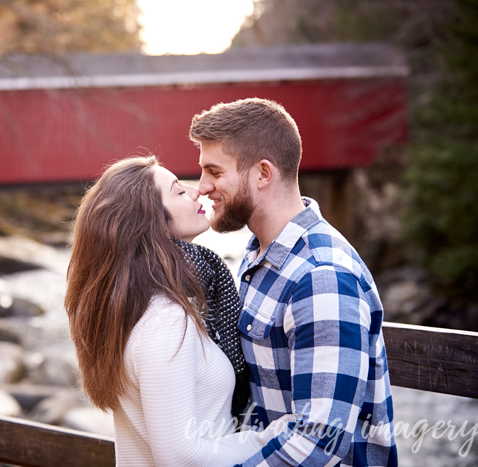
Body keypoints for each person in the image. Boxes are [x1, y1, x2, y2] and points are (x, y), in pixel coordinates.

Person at [189, 98, 398, 467]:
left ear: (263, 174)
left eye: (214, 171)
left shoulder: (321, 277)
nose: (202, 186)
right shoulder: (260, 254)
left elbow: (320, 442)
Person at [65, 156, 294, 466]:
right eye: (177, 191)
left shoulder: (131, 307)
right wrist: (276, 434)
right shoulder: (164, 320)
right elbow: (179, 457)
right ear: (152, 222)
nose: (196, 191)